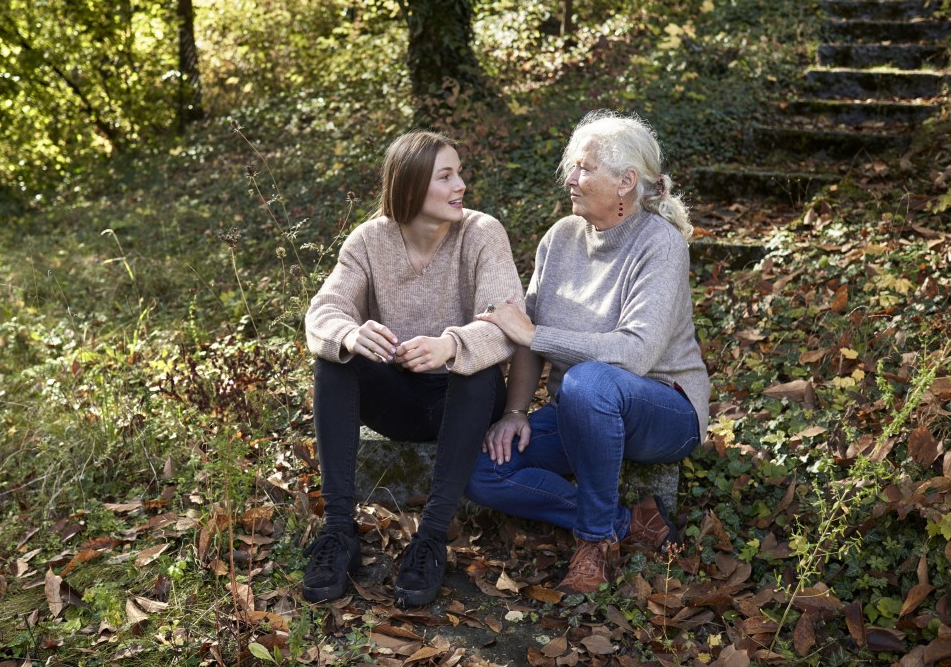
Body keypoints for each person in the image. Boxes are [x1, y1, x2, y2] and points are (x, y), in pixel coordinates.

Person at [467, 110, 710, 594]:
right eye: (571, 167)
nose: (570, 179)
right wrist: (516, 411)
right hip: (579, 411)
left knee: (589, 380)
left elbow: (634, 354)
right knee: (482, 473)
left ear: (626, 182)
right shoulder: (559, 239)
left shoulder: (659, 245)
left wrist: (535, 334)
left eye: (584, 168)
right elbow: (527, 336)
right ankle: (628, 521)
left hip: (662, 410)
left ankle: (594, 541)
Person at [302, 130, 524, 606]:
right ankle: (339, 531)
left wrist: (451, 344)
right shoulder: (369, 241)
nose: (460, 184)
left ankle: (431, 538)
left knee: (477, 367)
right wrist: (349, 334)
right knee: (334, 361)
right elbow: (323, 312)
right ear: (410, 186)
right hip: (399, 400)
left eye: (458, 172)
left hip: (465, 400)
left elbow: (509, 326)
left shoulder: (483, 234)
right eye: (445, 176)